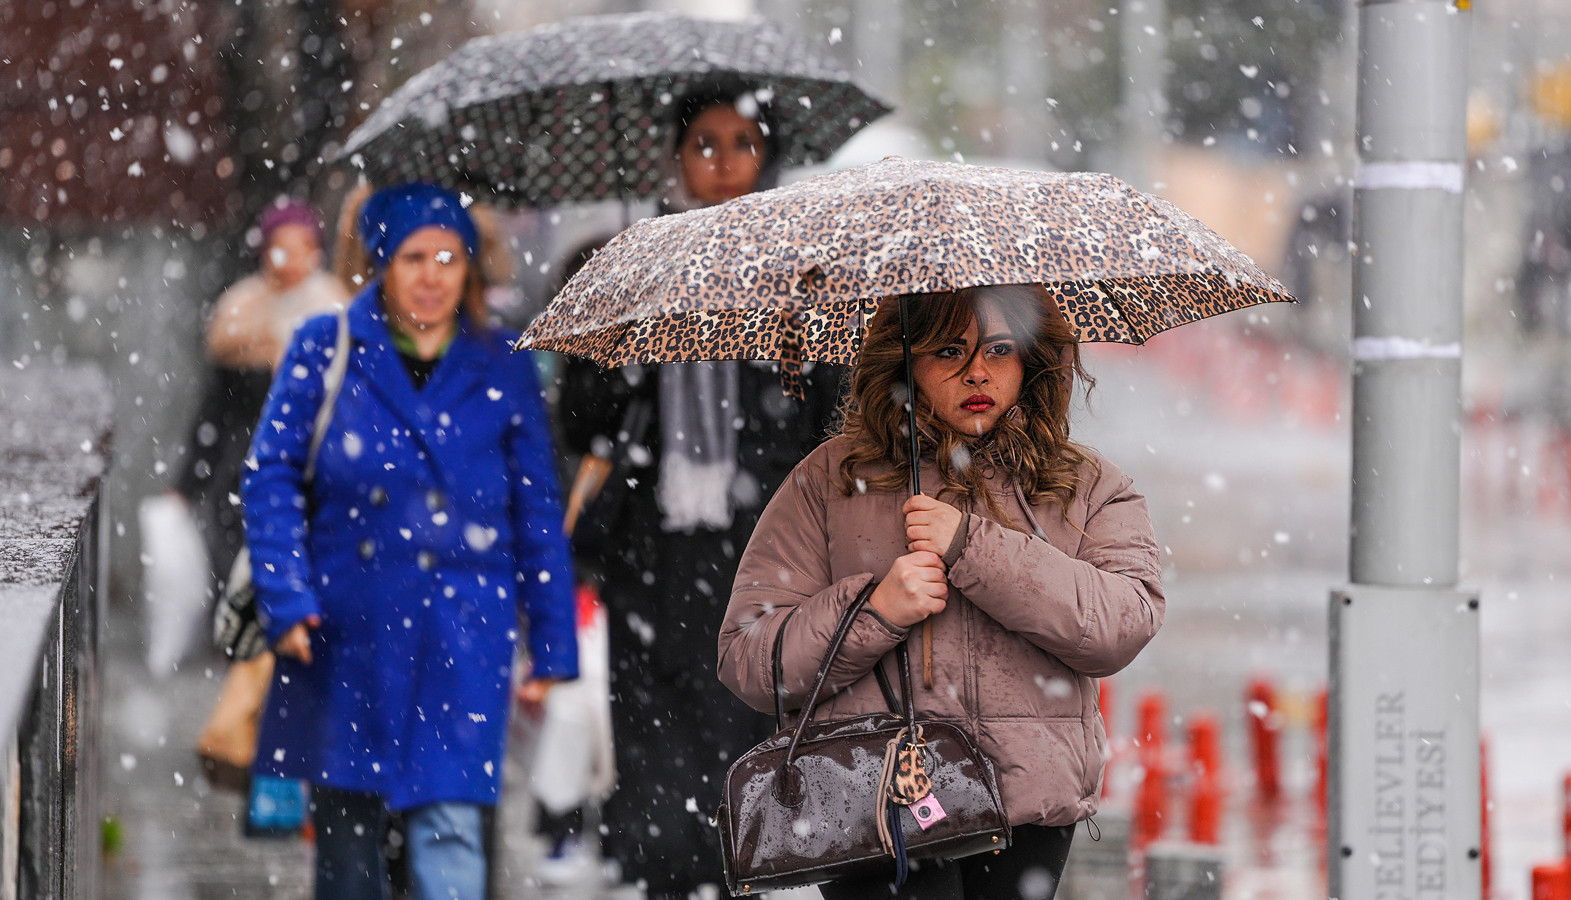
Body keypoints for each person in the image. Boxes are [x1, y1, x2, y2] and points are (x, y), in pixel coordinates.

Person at [717, 284, 1166, 899]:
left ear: (1032, 359)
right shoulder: (828, 481)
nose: (978, 371)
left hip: (1023, 808)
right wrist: (872, 611)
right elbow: (750, 658)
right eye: (950, 349)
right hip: (871, 800)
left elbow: (1121, 624)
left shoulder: (1087, 486)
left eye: (1000, 349)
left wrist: (972, 547)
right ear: (905, 360)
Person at [242, 181, 579, 900]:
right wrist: (285, 595)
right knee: (348, 847)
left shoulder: (503, 364)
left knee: (453, 834)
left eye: (449, 258)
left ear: (470, 267)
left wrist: (551, 644)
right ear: (382, 266)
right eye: (413, 257)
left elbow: (536, 512)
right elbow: (269, 477)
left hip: (465, 636)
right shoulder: (325, 347)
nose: (432, 276)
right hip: (347, 628)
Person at [557, 85, 842, 899]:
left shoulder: (801, 279)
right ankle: (660, 875)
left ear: (769, 155)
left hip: (762, 556)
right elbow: (579, 421)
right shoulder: (621, 265)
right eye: (705, 144)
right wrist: (624, 348)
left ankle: (737, 875)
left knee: (746, 757)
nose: (724, 164)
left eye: (743, 142)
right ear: (676, 157)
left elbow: (828, 425)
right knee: (653, 766)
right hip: (653, 558)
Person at [175, 197, 346, 606]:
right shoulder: (241, 308)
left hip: (315, 461)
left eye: (299, 246)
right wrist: (186, 484)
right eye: (279, 246)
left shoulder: (333, 307)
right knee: (239, 557)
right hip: (245, 463)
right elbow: (215, 408)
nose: (287, 259)